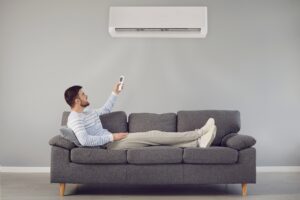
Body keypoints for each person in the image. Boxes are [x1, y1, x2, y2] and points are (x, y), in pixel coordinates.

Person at [64, 82, 217, 150]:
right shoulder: (75, 119)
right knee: (154, 135)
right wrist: (113, 137)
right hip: (109, 145)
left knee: (154, 140)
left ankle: (196, 144)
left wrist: (115, 93)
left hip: (112, 141)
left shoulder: (87, 112)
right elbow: (84, 140)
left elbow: (105, 110)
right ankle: (200, 132)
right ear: (77, 100)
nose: (86, 95)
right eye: (83, 94)